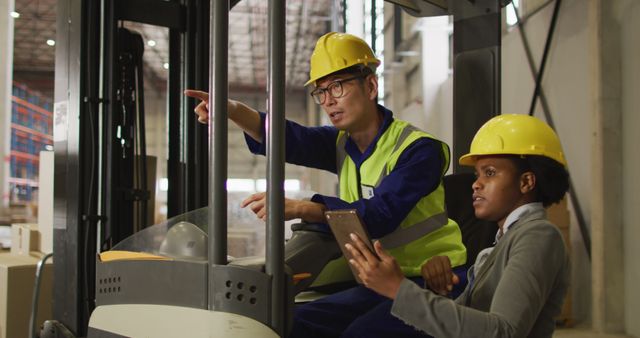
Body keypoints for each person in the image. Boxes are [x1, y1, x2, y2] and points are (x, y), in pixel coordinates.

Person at [185, 32, 467, 337]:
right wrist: (232, 110)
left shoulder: (419, 149)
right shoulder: (342, 143)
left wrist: (305, 209)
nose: (328, 101)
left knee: (360, 334)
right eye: (320, 92)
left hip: (435, 278)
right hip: (377, 280)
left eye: (337, 86)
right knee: (293, 321)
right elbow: (290, 138)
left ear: (370, 86)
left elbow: (381, 214)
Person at [346, 114, 571, 338]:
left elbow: (503, 332)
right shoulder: (506, 239)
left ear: (526, 182)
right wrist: (440, 292)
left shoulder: (538, 235)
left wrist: (397, 288)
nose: (476, 184)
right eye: (478, 174)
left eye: (490, 173)